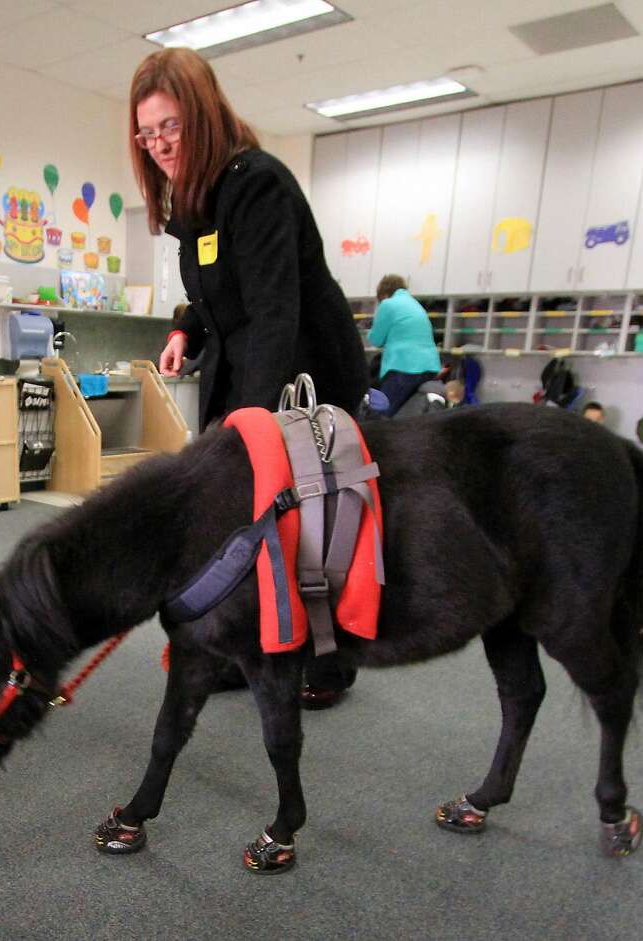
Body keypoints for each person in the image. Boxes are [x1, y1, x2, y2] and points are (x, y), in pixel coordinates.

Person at [134, 48, 367, 709]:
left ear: (202, 114)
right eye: (147, 133)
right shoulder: (197, 199)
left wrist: (251, 426)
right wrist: (187, 330)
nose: (159, 145)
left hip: (305, 371)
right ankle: (251, 647)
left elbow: (273, 310)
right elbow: (216, 294)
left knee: (305, 521)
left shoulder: (256, 183)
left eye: (170, 127)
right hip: (245, 367)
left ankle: (328, 663)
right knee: (239, 517)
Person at [367, 274, 442, 416]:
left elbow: (375, 340)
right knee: (409, 416)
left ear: (383, 294)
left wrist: (372, 328)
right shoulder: (416, 305)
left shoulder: (388, 304)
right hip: (430, 368)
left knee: (379, 415)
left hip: (404, 367)